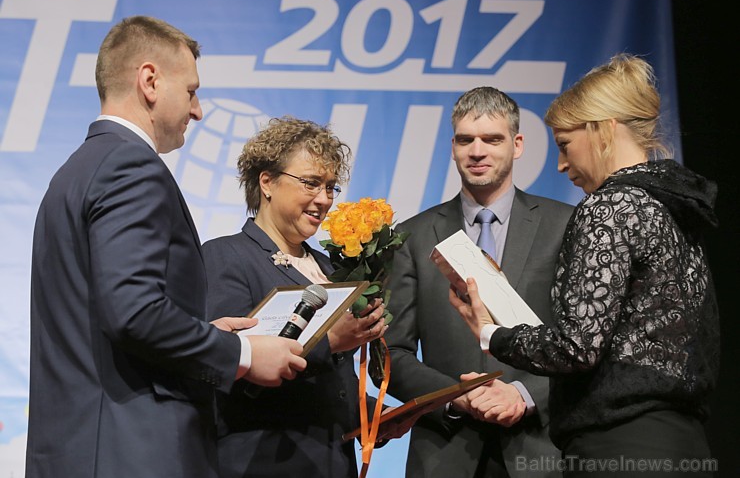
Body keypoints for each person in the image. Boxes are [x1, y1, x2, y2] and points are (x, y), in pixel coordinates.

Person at [26, 16, 306, 478]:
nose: (197, 111)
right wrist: (245, 355)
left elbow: (106, 317)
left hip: (80, 449)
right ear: (150, 81)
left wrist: (205, 331)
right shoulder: (131, 167)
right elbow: (134, 313)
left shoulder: (74, 171)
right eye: (192, 91)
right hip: (130, 453)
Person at [450, 54, 720, 477]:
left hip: (620, 448)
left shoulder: (610, 206)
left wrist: (491, 333)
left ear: (603, 129)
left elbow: (577, 345)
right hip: (685, 443)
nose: (561, 165)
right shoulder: (674, 208)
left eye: (564, 144)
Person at [383, 86, 573, 478]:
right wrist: (459, 397)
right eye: (466, 139)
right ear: (452, 146)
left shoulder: (565, 225)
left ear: (517, 145)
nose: (477, 151)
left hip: (542, 451)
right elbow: (392, 355)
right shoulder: (413, 236)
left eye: (492, 139)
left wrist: (524, 394)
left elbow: (585, 344)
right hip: (445, 451)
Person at [203, 116, 405, 478]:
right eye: (311, 183)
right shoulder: (226, 257)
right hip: (261, 464)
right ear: (267, 182)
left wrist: (370, 413)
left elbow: (326, 384)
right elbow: (231, 373)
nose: (324, 199)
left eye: (331, 187)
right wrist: (330, 341)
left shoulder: (330, 268)